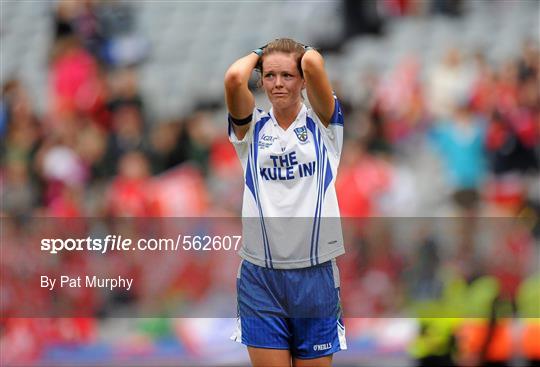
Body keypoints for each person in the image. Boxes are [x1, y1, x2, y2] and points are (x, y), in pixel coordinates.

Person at [224, 38, 346, 366]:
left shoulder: (323, 125)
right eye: (270, 75)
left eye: (288, 76)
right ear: (261, 79)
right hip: (261, 276)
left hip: (315, 273)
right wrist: (260, 52)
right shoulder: (251, 129)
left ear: (303, 81)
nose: (278, 84)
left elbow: (315, 63)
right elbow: (235, 79)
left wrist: (296, 51)